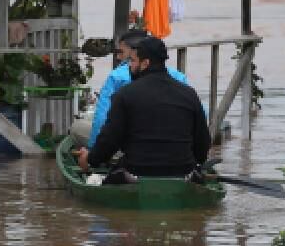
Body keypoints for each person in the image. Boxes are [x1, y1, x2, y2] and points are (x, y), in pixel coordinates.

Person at [73, 37, 210, 178]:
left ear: (145, 63)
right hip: (183, 171)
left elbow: (109, 140)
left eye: (133, 61)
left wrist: (90, 159)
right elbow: (202, 145)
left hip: (137, 171)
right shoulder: (189, 94)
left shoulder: (125, 95)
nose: (129, 66)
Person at [69, 29, 192, 150]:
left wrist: (94, 151)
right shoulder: (179, 78)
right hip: (176, 147)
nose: (118, 57)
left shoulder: (118, 78)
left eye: (120, 52)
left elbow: (101, 118)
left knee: (77, 127)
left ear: (134, 51)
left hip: (132, 148)